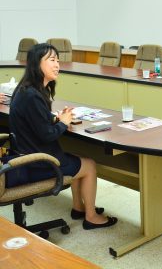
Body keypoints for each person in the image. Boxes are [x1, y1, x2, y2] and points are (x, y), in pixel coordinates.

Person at [9, 43, 117, 230]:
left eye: (58, 61)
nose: (57, 65)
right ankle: (91, 217)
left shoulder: (27, 90)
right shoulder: (33, 96)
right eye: (52, 60)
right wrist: (63, 123)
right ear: (36, 64)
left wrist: (55, 119)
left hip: (26, 158)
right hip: (37, 163)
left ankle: (78, 208)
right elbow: (46, 135)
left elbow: (36, 122)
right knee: (89, 165)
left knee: (76, 158)